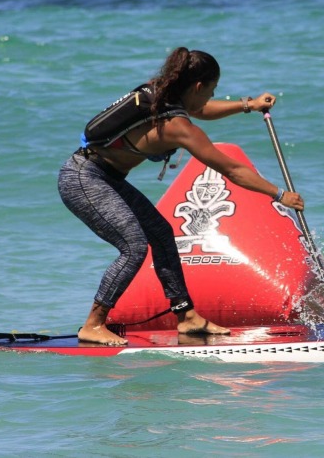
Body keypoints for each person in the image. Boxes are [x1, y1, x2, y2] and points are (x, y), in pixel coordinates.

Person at [58, 47, 305, 346]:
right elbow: (233, 170)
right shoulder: (178, 127)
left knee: (161, 233)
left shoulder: (164, 93)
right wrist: (278, 194)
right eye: (211, 90)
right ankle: (93, 324)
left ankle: (186, 317)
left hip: (105, 177)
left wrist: (248, 105)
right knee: (134, 247)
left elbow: (200, 109)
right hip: (83, 178)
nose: (210, 96)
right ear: (198, 86)